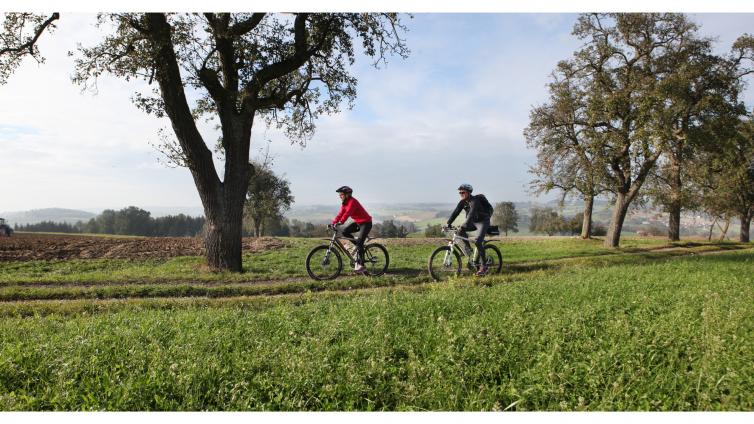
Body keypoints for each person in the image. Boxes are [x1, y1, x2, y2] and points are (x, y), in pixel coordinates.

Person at [446, 183, 492, 276]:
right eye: (460, 192)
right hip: (474, 222)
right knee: (460, 232)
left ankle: (484, 267)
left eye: (463, 192)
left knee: (478, 242)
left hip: (483, 222)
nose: (461, 194)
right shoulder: (462, 202)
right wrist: (448, 223)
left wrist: (464, 224)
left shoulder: (475, 201)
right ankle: (469, 251)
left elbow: (471, 214)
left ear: (468, 193)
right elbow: (455, 212)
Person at [332, 186, 373, 274]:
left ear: (347, 195)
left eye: (341, 194)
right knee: (344, 232)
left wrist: (341, 222)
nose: (340, 196)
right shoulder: (345, 203)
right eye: (339, 194)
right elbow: (341, 214)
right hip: (358, 223)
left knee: (359, 243)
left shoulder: (352, 202)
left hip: (366, 223)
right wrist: (333, 222)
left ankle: (361, 266)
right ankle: (358, 246)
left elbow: (347, 213)